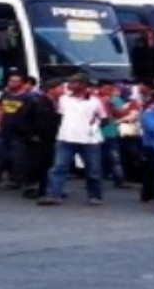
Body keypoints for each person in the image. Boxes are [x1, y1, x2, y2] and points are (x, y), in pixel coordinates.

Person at [38, 74, 107, 206]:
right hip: (65, 138)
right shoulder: (63, 99)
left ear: (82, 84)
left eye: (73, 83)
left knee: (93, 170)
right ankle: (53, 195)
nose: (69, 85)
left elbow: (104, 119)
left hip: (89, 141)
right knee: (58, 168)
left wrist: (92, 128)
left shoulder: (95, 101)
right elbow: (59, 115)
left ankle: (95, 195)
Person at [0, 73, 35, 189]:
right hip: (4, 130)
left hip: (19, 132)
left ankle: (16, 180)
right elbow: (1, 111)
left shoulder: (29, 98)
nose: (12, 83)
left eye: (15, 81)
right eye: (10, 81)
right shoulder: (5, 94)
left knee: (17, 156)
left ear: (22, 84)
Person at [22, 78, 64, 199]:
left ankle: (46, 188)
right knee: (35, 163)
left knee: (49, 163)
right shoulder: (36, 102)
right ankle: (31, 186)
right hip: (37, 138)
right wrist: (30, 135)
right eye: (60, 88)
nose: (62, 91)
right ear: (51, 89)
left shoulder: (59, 103)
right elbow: (24, 119)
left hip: (52, 138)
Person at [97, 80, 127, 188]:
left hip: (110, 132)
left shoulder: (114, 100)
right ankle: (97, 180)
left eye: (109, 89)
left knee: (114, 157)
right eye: (105, 89)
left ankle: (118, 179)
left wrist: (112, 104)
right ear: (99, 89)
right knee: (98, 157)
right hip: (97, 133)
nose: (107, 92)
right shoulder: (93, 100)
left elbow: (121, 113)